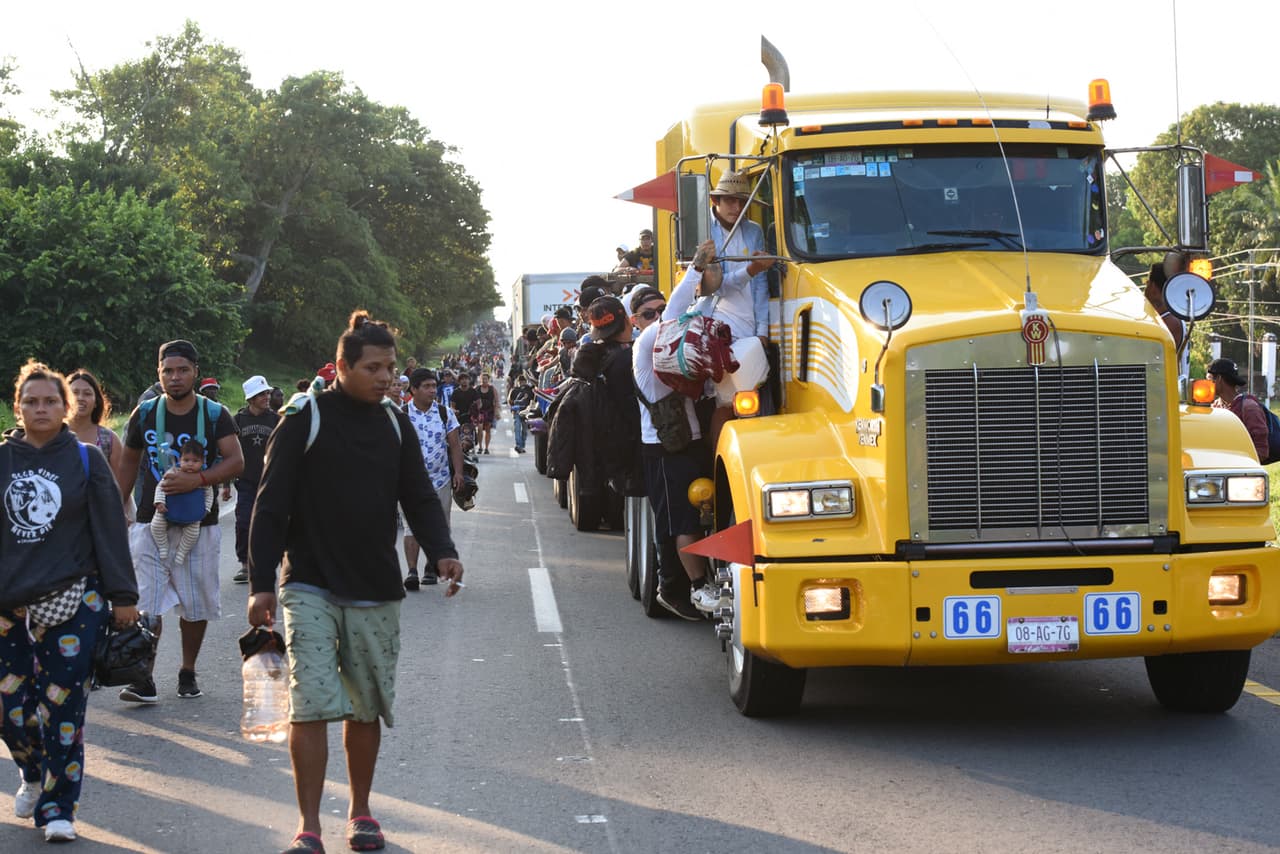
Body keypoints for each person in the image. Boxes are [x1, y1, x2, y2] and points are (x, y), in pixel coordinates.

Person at [247, 310, 463, 854]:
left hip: (375, 585)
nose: (386, 377)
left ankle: (360, 812)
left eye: (390, 367)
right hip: (309, 584)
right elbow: (270, 505)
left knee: (365, 706)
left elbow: (417, 494)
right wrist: (261, 582)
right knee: (312, 702)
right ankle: (309, 826)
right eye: (373, 368)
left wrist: (443, 553)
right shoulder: (304, 418)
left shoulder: (395, 423)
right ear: (342, 367)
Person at [1, 361, 139, 843]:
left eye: (51, 401)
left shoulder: (85, 458)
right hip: (6, 605)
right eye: (32, 401)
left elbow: (110, 530)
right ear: (17, 407)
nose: (42, 408)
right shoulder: (2, 458)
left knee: (63, 708)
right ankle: (32, 770)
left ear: (67, 407)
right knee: (9, 706)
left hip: (74, 599)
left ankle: (59, 808)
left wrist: (123, 596)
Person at [115, 339, 244, 703]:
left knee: (196, 603)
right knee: (146, 602)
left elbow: (237, 462)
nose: (175, 377)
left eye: (182, 370)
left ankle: (187, 670)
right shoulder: (144, 414)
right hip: (150, 520)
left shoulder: (215, 414)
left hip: (198, 524)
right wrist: (113, 513)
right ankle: (144, 677)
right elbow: (127, 464)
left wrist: (199, 479)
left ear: (195, 373)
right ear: (159, 373)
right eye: (168, 371)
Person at [632, 284, 721, 617]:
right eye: (648, 314)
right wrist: (697, 274)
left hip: (691, 444)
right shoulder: (645, 344)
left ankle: (701, 581)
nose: (657, 317)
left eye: (660, 309)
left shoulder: (674, 346)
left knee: (699, 516)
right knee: (683, 522)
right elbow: (678, 317)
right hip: (664, 451)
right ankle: (694, 587)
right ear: (636, 321)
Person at [403, 368, 465, 589]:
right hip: (410, 482)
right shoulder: (401, 414)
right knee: (412, 526)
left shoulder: (444, 413)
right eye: (427, 387)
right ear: (413, 390)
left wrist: (458, 473)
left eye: (433, 386)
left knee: (439, 524)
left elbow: (455, 445)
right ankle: (411, 571)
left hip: (441, 480)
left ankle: (431, 567)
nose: (432, 391)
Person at [231, 375, 280, 583]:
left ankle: (265, 562)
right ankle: (244, 564)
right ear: (250, 398)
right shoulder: (238, 421)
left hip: (270, 481)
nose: (266, 397)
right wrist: (226, 484)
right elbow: (229, 451)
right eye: (261, 394)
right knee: (243, 521)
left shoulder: (277, 420)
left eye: (267, 393)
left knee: (268, 522)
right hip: (245, 481)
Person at [149, 439, 214, 565]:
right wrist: (159, 503)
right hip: (168, 509)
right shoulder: (173, 473)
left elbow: (209, 495)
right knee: (156, 525)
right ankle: (163, 546)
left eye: (195, 461)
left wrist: (206, 509)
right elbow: (161, 487)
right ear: (180, 460)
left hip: (192, 514)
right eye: (186, 460)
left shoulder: (203, 479)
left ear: (202, 462)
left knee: (193, 533)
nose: (190, 464)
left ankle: (182, 552)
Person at [1206, 358, 1270, 462]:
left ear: (1219, 379)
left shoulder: (1249, 407)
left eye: (1209, 379)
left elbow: (1262, 452)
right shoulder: (1215, 406)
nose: (1205, 384)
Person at [67, 369, 123, 476]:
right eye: (74, 393)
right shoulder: (52, 436)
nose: (80, 398)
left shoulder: (109, 440)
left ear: (96, 401)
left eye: (87, 394)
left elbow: (121, 487)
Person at [507, 373, 534, 454]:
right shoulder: (514, 390)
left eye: (523, 381)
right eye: (520, 381)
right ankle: (518, 445)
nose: (522, 383)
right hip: (517, 412)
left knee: (524, 431)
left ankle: (522, 446)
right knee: (517, 429)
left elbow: (533, 400)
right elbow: (510, 401)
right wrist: (513, 408)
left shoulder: (529, 390)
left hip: (526, 412)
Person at [473, 373, 498, 455]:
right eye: (482, 379)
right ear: (480, 380)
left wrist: (496, 411)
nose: (484, 381)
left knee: (488, 430)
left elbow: (496, 401)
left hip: (489, 411)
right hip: (479, 412)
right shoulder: (477, 388)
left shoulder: (492, 389)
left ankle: (486, 448)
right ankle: (480, 447)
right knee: (479, 429)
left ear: (488, 380)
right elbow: (472, 399)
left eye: (486, 379)